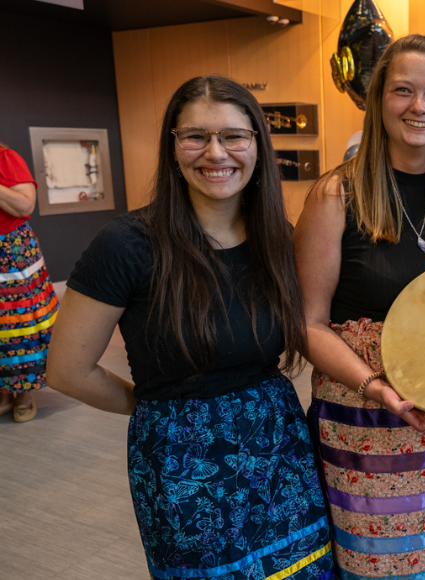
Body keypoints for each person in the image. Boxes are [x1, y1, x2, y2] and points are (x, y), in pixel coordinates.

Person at [47, 76, 334, 579]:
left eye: (233, 136)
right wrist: (155, 410)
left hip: (279, 447)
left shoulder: (277, 238)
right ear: (174, 148)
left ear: (258, 146)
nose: (216, 152)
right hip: (184, 461)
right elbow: (68, 370)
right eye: (195, 136)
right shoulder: (127, 244)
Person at [293, 35, 425, 579]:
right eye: (403, 91)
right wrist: (375, 387)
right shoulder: (335, 198)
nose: (420, 106)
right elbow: (307, 324)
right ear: (378, 101)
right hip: (370, 425)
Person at [0, 142, 57, 423]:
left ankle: (24, 393)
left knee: (20, 326)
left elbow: (25, 204)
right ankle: (4, 390)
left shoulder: (6, 158)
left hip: (11, 251)